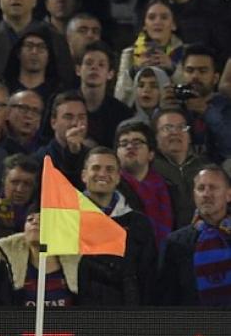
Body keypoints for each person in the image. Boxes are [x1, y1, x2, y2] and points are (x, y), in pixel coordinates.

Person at [77, 146, 157, 305]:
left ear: (118, 177)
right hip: (78, 317)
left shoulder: (139, 223)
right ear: (84, 175)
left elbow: (148, 278)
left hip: (127, 317)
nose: (102, 174)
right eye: (96, 168)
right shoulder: (68, 219)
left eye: (110, 169)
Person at [0, 209, 80, 307]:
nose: (35, 222)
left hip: (65, 330)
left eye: (43, 220)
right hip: (19, 330)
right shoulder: (6, 255)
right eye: (30, 219)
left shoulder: (76, 259)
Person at [158, 166, 231, 306]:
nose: (206, 194)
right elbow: (167, 298)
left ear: (228, 195)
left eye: (213, 188)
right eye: (201, 188)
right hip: (194, 324)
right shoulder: (175, 243)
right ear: (194, 194)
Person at [114, 120, 176, 249]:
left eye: (137, 143)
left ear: (151, 154)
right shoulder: (112, 190)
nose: (130, 147)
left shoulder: (169, 189)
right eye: (124, 143)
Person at [113, 0, 184, 107]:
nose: (157, 22)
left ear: (174, 24)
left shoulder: (185, 53)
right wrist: (134, 71)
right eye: (151, 17)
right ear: (144, 25)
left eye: (164, 17)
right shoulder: (129, 54)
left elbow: (191, 98)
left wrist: (172, 69)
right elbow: (119, 98)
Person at [151, 107, 207, 227]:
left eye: (181, 127)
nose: (175, 132)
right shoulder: (148, 169)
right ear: (155, 137)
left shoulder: (205, 169)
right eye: (167, 128)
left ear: (190, 137)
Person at [0, 153, 39, 247]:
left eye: (27, 184)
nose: (20, 189)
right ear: (3, 180)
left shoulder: (43, 219)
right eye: (14, 182)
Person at [79, 42, 133, 148]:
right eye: (89, 63)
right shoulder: (63, 105)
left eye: (101, 65)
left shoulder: (122, 113)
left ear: (110, 74)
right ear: (78, 69)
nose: (94, 67)